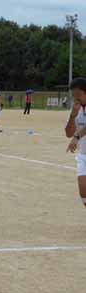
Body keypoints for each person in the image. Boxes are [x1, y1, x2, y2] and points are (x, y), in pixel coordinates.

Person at [65, 77, 86, 210]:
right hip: (83, 155)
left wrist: (76, 137)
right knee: (83, 190)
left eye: (78, 94)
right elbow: (68, 133)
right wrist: (72, 116)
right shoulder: (76, 109)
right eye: (74, 95)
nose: (75, 97)